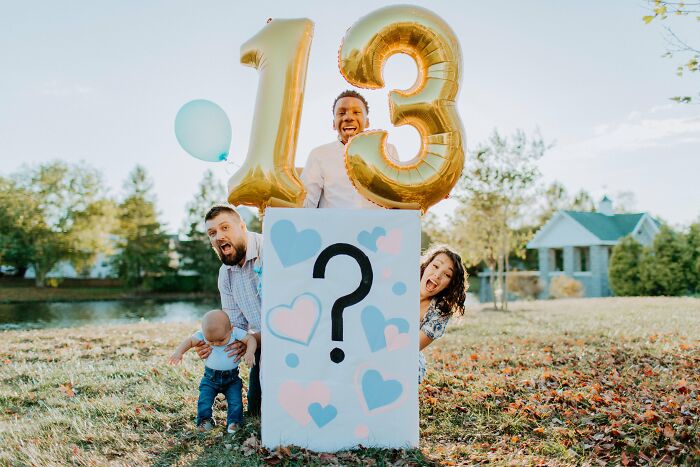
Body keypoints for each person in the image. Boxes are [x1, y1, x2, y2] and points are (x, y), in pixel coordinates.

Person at [194, 204, 263, 416]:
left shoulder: (270, 251)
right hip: (261, 348)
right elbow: (235, 326)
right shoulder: (225, 274)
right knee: (254, 411)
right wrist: (215, 345)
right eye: (212, 233)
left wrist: (249, 343)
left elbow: (287, 320)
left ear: (242, 227)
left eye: (225, 228)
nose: (218, 236)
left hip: (297, 343)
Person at [301, 90, 399, 209]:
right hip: (332, 226)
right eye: (341, 113)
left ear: (367, 122)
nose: (348, 117)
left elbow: (396, 197)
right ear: (333, 123)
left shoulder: (387, 151)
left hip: (376, 226)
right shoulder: (319, 155)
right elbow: (306, 205)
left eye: (356, 112)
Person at [169, 309, 257, 433]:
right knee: (204, 400)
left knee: (235, 401)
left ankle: (234, 422)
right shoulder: (202, 335)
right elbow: (189, 341)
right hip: (210, 378)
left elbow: (250, 339)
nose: (216, 344)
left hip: (232, 378)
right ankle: (205, 421)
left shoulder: (235, 333)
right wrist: (179, 352)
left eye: (221, 340)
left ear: (230, 329)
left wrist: (249, 352)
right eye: (211, 341)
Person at [418, 245, 467, 383]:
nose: (438, 275)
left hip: (405, 355)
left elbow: (413, 347)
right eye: (435, 266)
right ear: (425, 266)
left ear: (449, 285)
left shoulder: (441, 311)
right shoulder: (400, 286)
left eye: (447, 275)